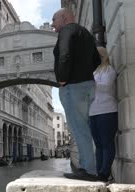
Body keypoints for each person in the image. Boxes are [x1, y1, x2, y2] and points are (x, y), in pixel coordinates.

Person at [52, 8, 101, 181]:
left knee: (79, 130)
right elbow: (98, 59)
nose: (52, 25)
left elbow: (64, 55)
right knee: (85, 128)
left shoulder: (67, 31)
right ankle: (89, 168)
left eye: (54, 20)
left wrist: (63, 79)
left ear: (64, 18)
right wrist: (85, 73)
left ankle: (88, 170)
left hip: (73, 87)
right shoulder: (86, 33)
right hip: (88, 86)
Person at [89, 47, 118, 182]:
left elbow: (106, 87)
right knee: (98, 144)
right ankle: (99, 172)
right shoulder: (94, 72)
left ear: (102, 56)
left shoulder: (109, 70)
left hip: (107, 110)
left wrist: (91, 81)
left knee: (107, 143)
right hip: (93, 112)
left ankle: (104, 173)